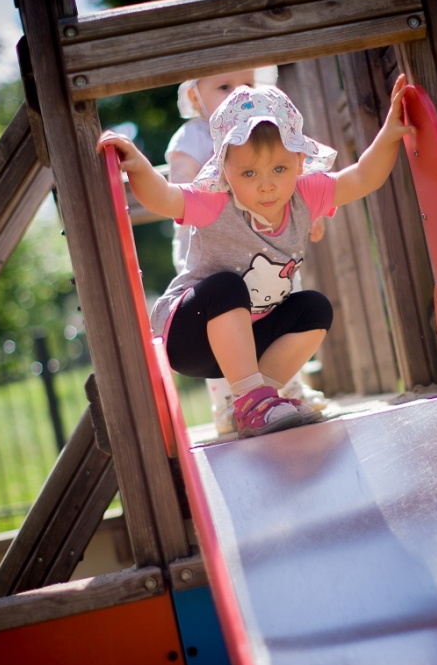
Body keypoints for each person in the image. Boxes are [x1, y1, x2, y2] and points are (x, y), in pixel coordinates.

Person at [97, 76, 413, 439]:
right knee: (228, 287)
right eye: (249, 172)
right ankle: (252, 399)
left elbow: (360, 179)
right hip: (191, 333)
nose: (267, 185)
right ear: (225, 170)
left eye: (279, 169)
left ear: (299, 162)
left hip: (247, 338)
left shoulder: (304, 196)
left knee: (314, 308)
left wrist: (390, 134)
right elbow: (165, 198)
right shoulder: (216, 201)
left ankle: (256, 401)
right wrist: (138, 165)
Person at [166, 68, 327, 435]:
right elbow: (180, 180)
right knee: (224, 320)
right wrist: (192, 192)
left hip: (268, 248)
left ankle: (286, 388)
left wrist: (310, 215)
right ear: (194, 98)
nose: (239, 92)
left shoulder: (265, 135)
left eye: (248, 84)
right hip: (214, 255)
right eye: (223, 86)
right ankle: (228, 402)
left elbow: (294, 183)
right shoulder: (197, 134)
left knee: (281, 303)